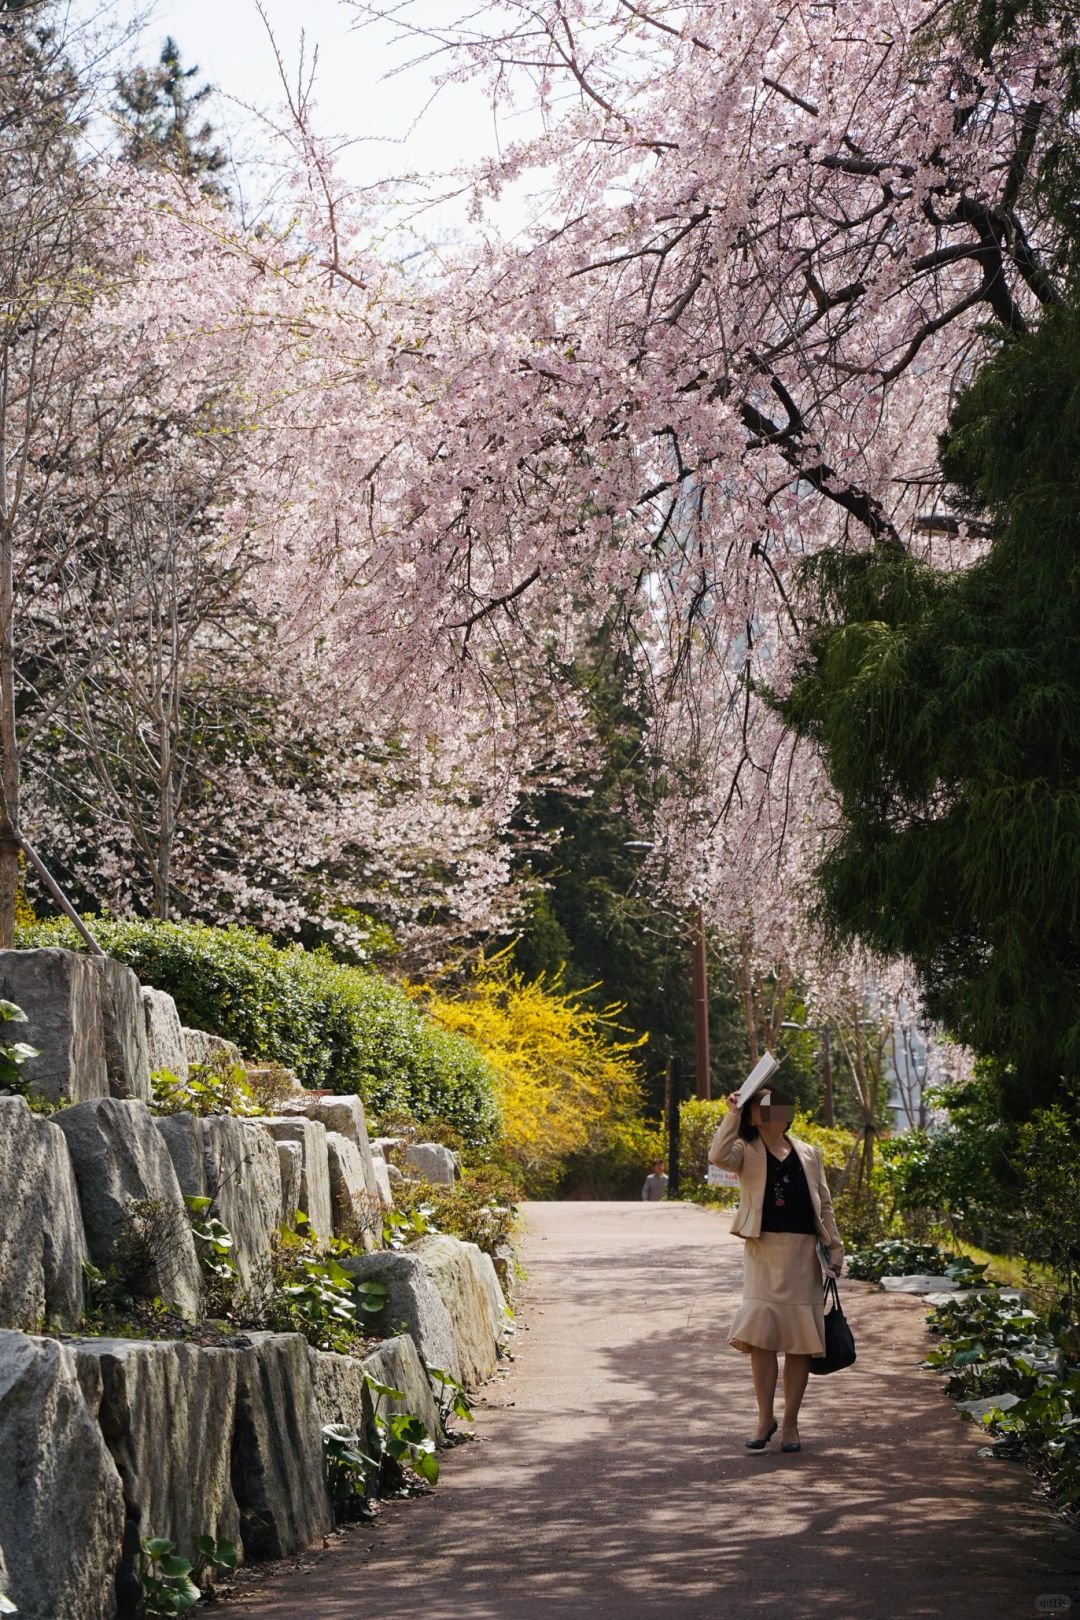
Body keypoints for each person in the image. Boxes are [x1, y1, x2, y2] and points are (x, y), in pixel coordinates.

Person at [708, 1084, 844, 1454]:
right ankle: (763, 1417)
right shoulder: (743, 1151)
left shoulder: (809, 1153)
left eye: (777, 1104)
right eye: (762, 1106)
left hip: (803, 1255)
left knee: (800, 1344)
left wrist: (835, 1248)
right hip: (763, 1251)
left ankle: (792, 1424)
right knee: (762, 1341)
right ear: (753, 1115)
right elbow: (717, 1155)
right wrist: (732, 1113)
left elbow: (825, 1206)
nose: (772, 1111)